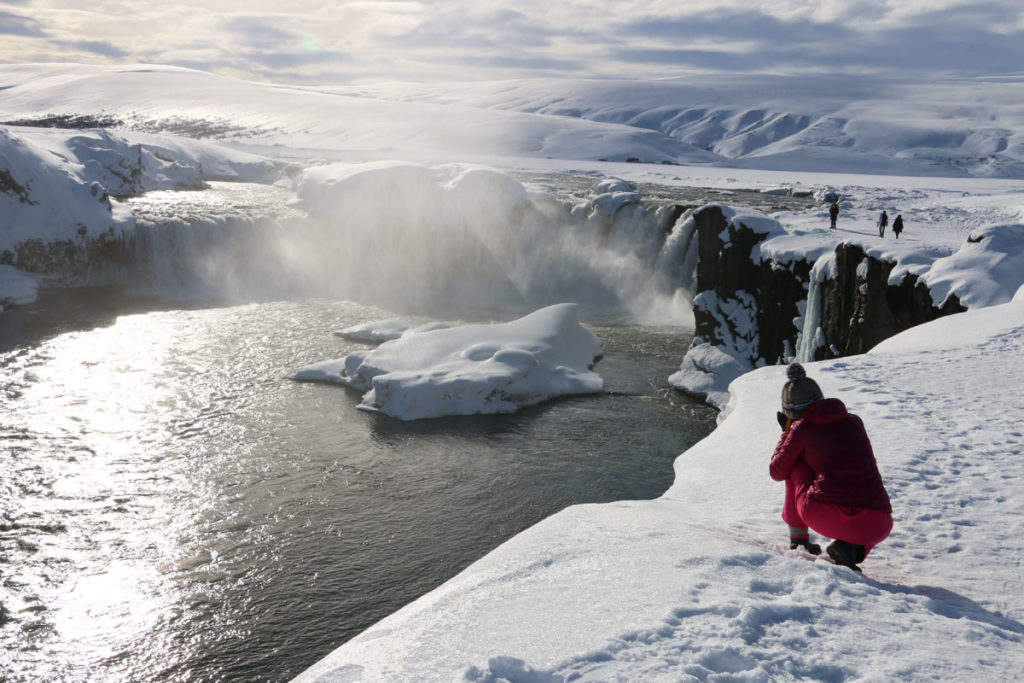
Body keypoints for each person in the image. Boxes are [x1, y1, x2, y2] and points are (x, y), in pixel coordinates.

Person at [769, 363, 893, 572]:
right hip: (878, 523)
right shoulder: (854, 422)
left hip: (824, 514)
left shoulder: (802, 428)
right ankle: (848, 550)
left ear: (791, 412)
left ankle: (799, 540)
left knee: (794, 465)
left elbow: (777, 471)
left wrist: (786, 434)